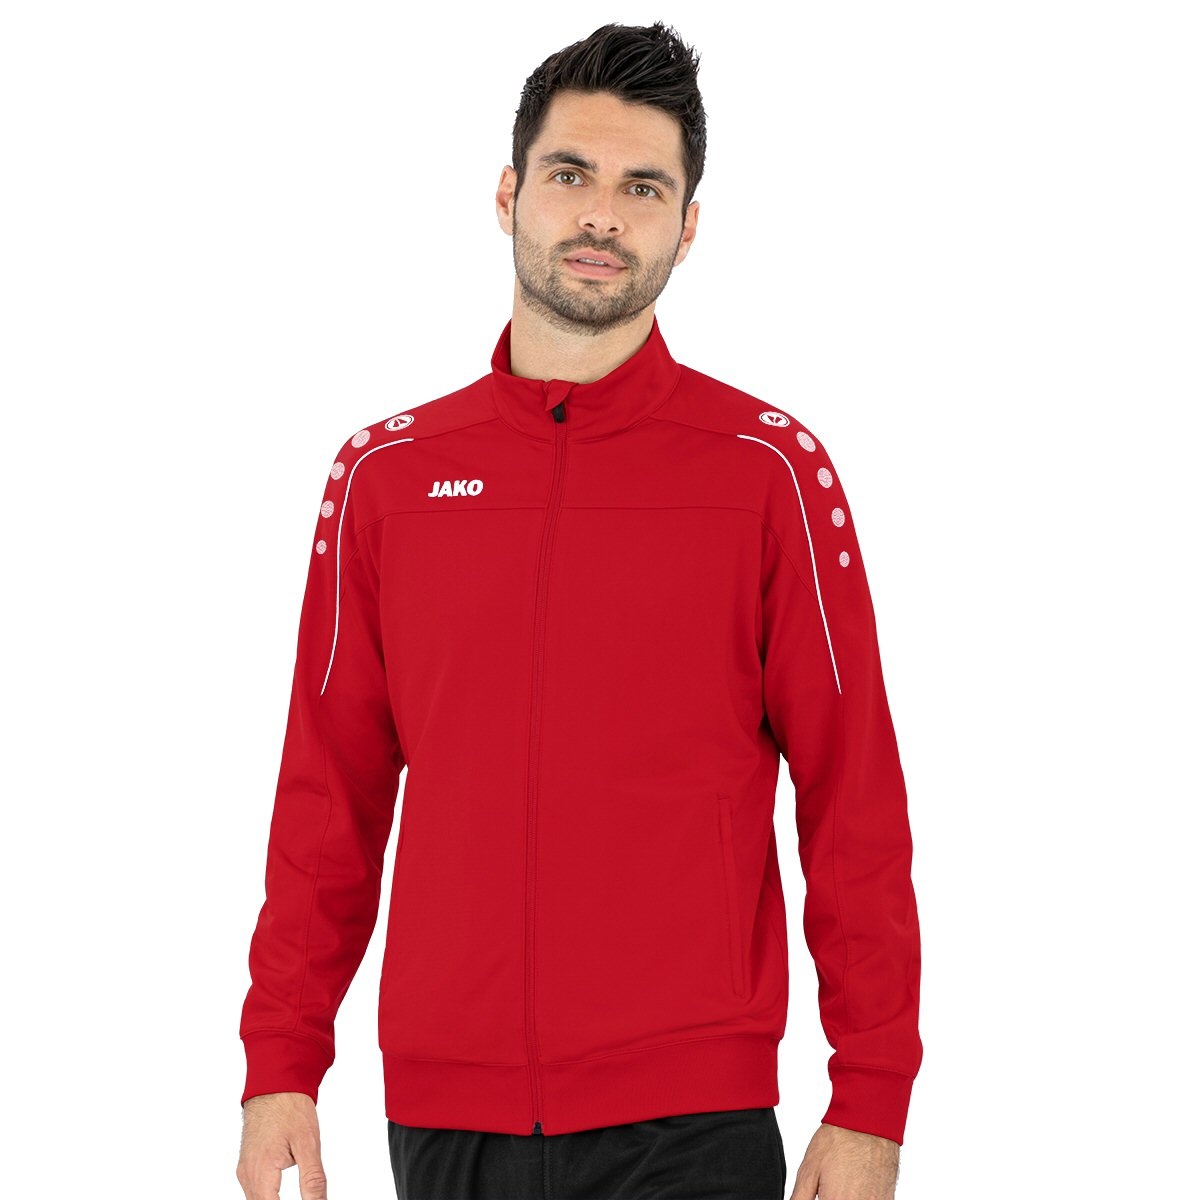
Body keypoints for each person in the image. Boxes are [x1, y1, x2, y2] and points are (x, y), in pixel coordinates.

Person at [236, 21, 922, 1200]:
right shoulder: (386, 478)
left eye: (643, 188)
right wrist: (280, 1063)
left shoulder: (769, 472)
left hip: (690, 1118)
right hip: (446, 1116)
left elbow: (852, 796)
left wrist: (871, 1098)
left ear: (687, 226)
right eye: (570, 175)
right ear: (509, 194)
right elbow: (327, 797)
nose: (602, 216)